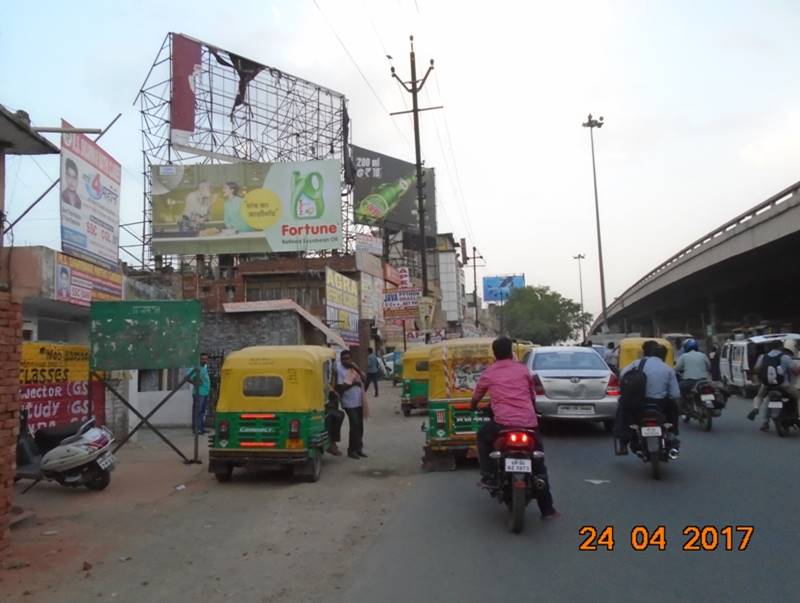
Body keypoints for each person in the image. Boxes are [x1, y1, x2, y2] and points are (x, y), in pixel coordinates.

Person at [470, 336, 558, 519]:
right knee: (539, 463)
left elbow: (477, 395)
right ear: (511, 352)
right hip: (528, 424)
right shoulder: (523, 370)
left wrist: (473, 405)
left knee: (482, 436)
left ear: (494, 354)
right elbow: (531, 394)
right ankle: (547, 509)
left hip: (502, 424)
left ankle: (488, 475)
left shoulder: (489, 373)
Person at [614, 340, 681, 455]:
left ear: (645, 353)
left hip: (639, 404)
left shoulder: (637, 364)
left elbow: (622, 374)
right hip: (660, 404)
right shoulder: (668, 369)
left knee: (623, 408)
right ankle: (672, 433)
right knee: (674, 409)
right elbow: (675, 394)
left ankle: (623, 443)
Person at [747, 338, 800, 431]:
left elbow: (756, 369)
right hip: (783, 385)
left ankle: (757, 411)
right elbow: (795, 371)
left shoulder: (763, 356)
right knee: (798, 397)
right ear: (781, 347)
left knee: (760, 396)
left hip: (767, 385)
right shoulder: (785, 357)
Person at [336, 350, 369, 459]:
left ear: (351, 359)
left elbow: (365, 380)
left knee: (360, 426)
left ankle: (359, 448)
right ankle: (351, 450)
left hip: (358, 401)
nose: (346, 361)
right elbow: (341, 388)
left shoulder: (353, 368)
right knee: (354, 425)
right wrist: (354, 383)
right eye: (343, 359)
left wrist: (358, 369)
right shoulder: (339, 370)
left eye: (347, 358)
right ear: (340, 359)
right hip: (348, 402)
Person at [188, 353, 211, 434]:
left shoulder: (204, 368)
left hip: (205, 393)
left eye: (206, 359)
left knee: (202, 411)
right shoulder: (195, 367)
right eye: (202, 359)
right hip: (198, 393)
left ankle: (201, 428)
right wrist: (195, 383)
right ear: (199, 359)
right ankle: (196, 429)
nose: (204, 360)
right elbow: (187, 377)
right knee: (197, 411)